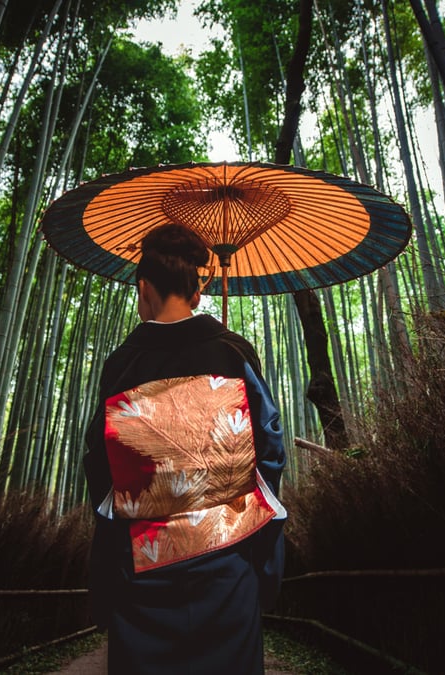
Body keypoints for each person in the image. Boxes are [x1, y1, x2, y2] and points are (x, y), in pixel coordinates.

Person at [83, 223, 287, 674]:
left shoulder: (122, 366)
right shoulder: (234, 355)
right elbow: (269, 455)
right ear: (197, 293)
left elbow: (101, 470)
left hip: (144, 572)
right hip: (226, 568)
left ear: (143, 287)